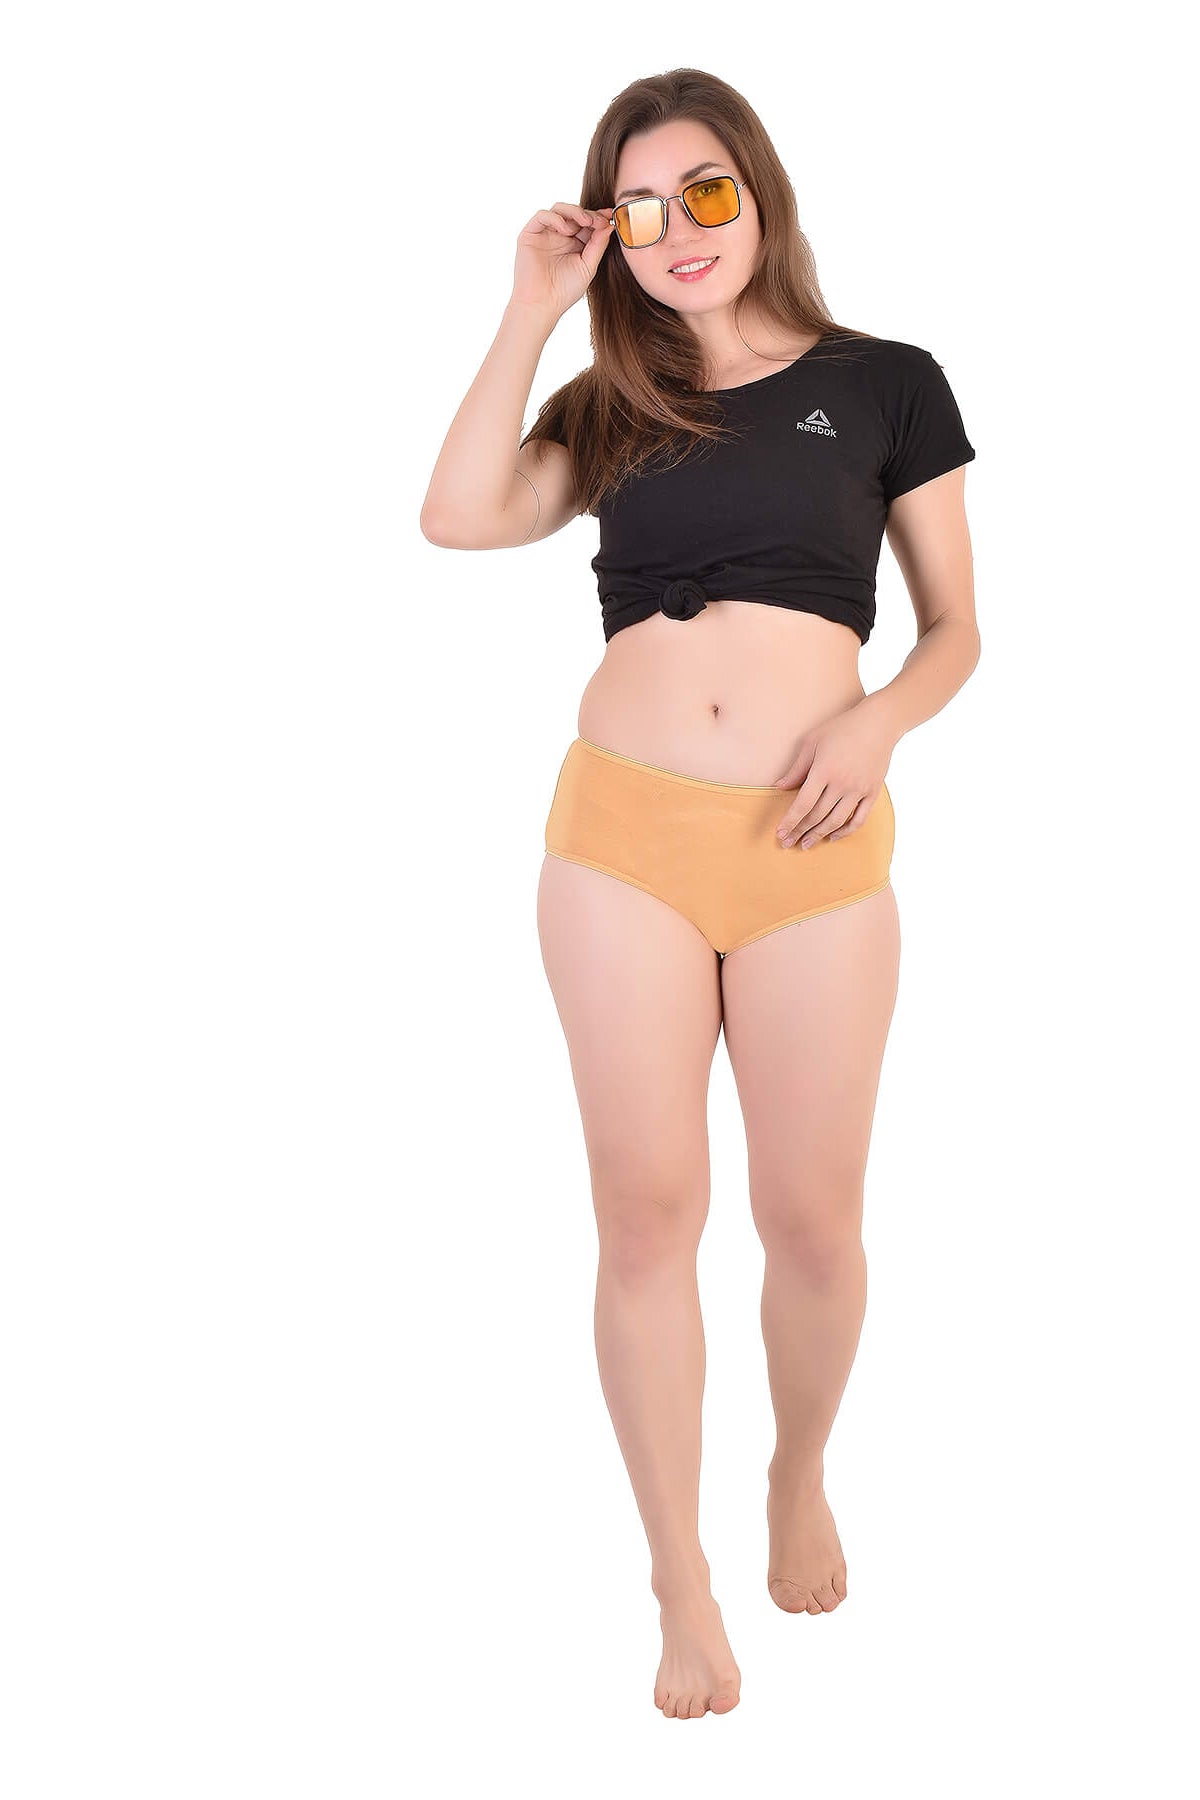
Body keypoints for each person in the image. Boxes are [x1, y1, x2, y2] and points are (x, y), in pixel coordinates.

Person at [420, 69, 979, 1721]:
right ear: (613, 230)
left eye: (707, 193)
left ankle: (796, 1471)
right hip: (624, 841)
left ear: (762, 193)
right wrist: (532, 306)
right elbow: (456, 517)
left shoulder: (886, 383)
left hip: (814, 842)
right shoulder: (608, 404)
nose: (680, 232)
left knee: (812, 1222)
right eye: (642, 208)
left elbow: (959, 630)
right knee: (648, 1214)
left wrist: (877, 723)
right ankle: (678, 1574)